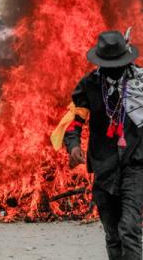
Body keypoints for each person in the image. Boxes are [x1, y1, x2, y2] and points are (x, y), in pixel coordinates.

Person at [51, 29, 143, 260]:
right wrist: (73, 146)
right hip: (104, 166)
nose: (114, 68)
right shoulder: (90, 84)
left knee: (129, 229)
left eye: (118, 63)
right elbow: (75, 120)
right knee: (112, 234)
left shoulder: (140, 83)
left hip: (135, 164)